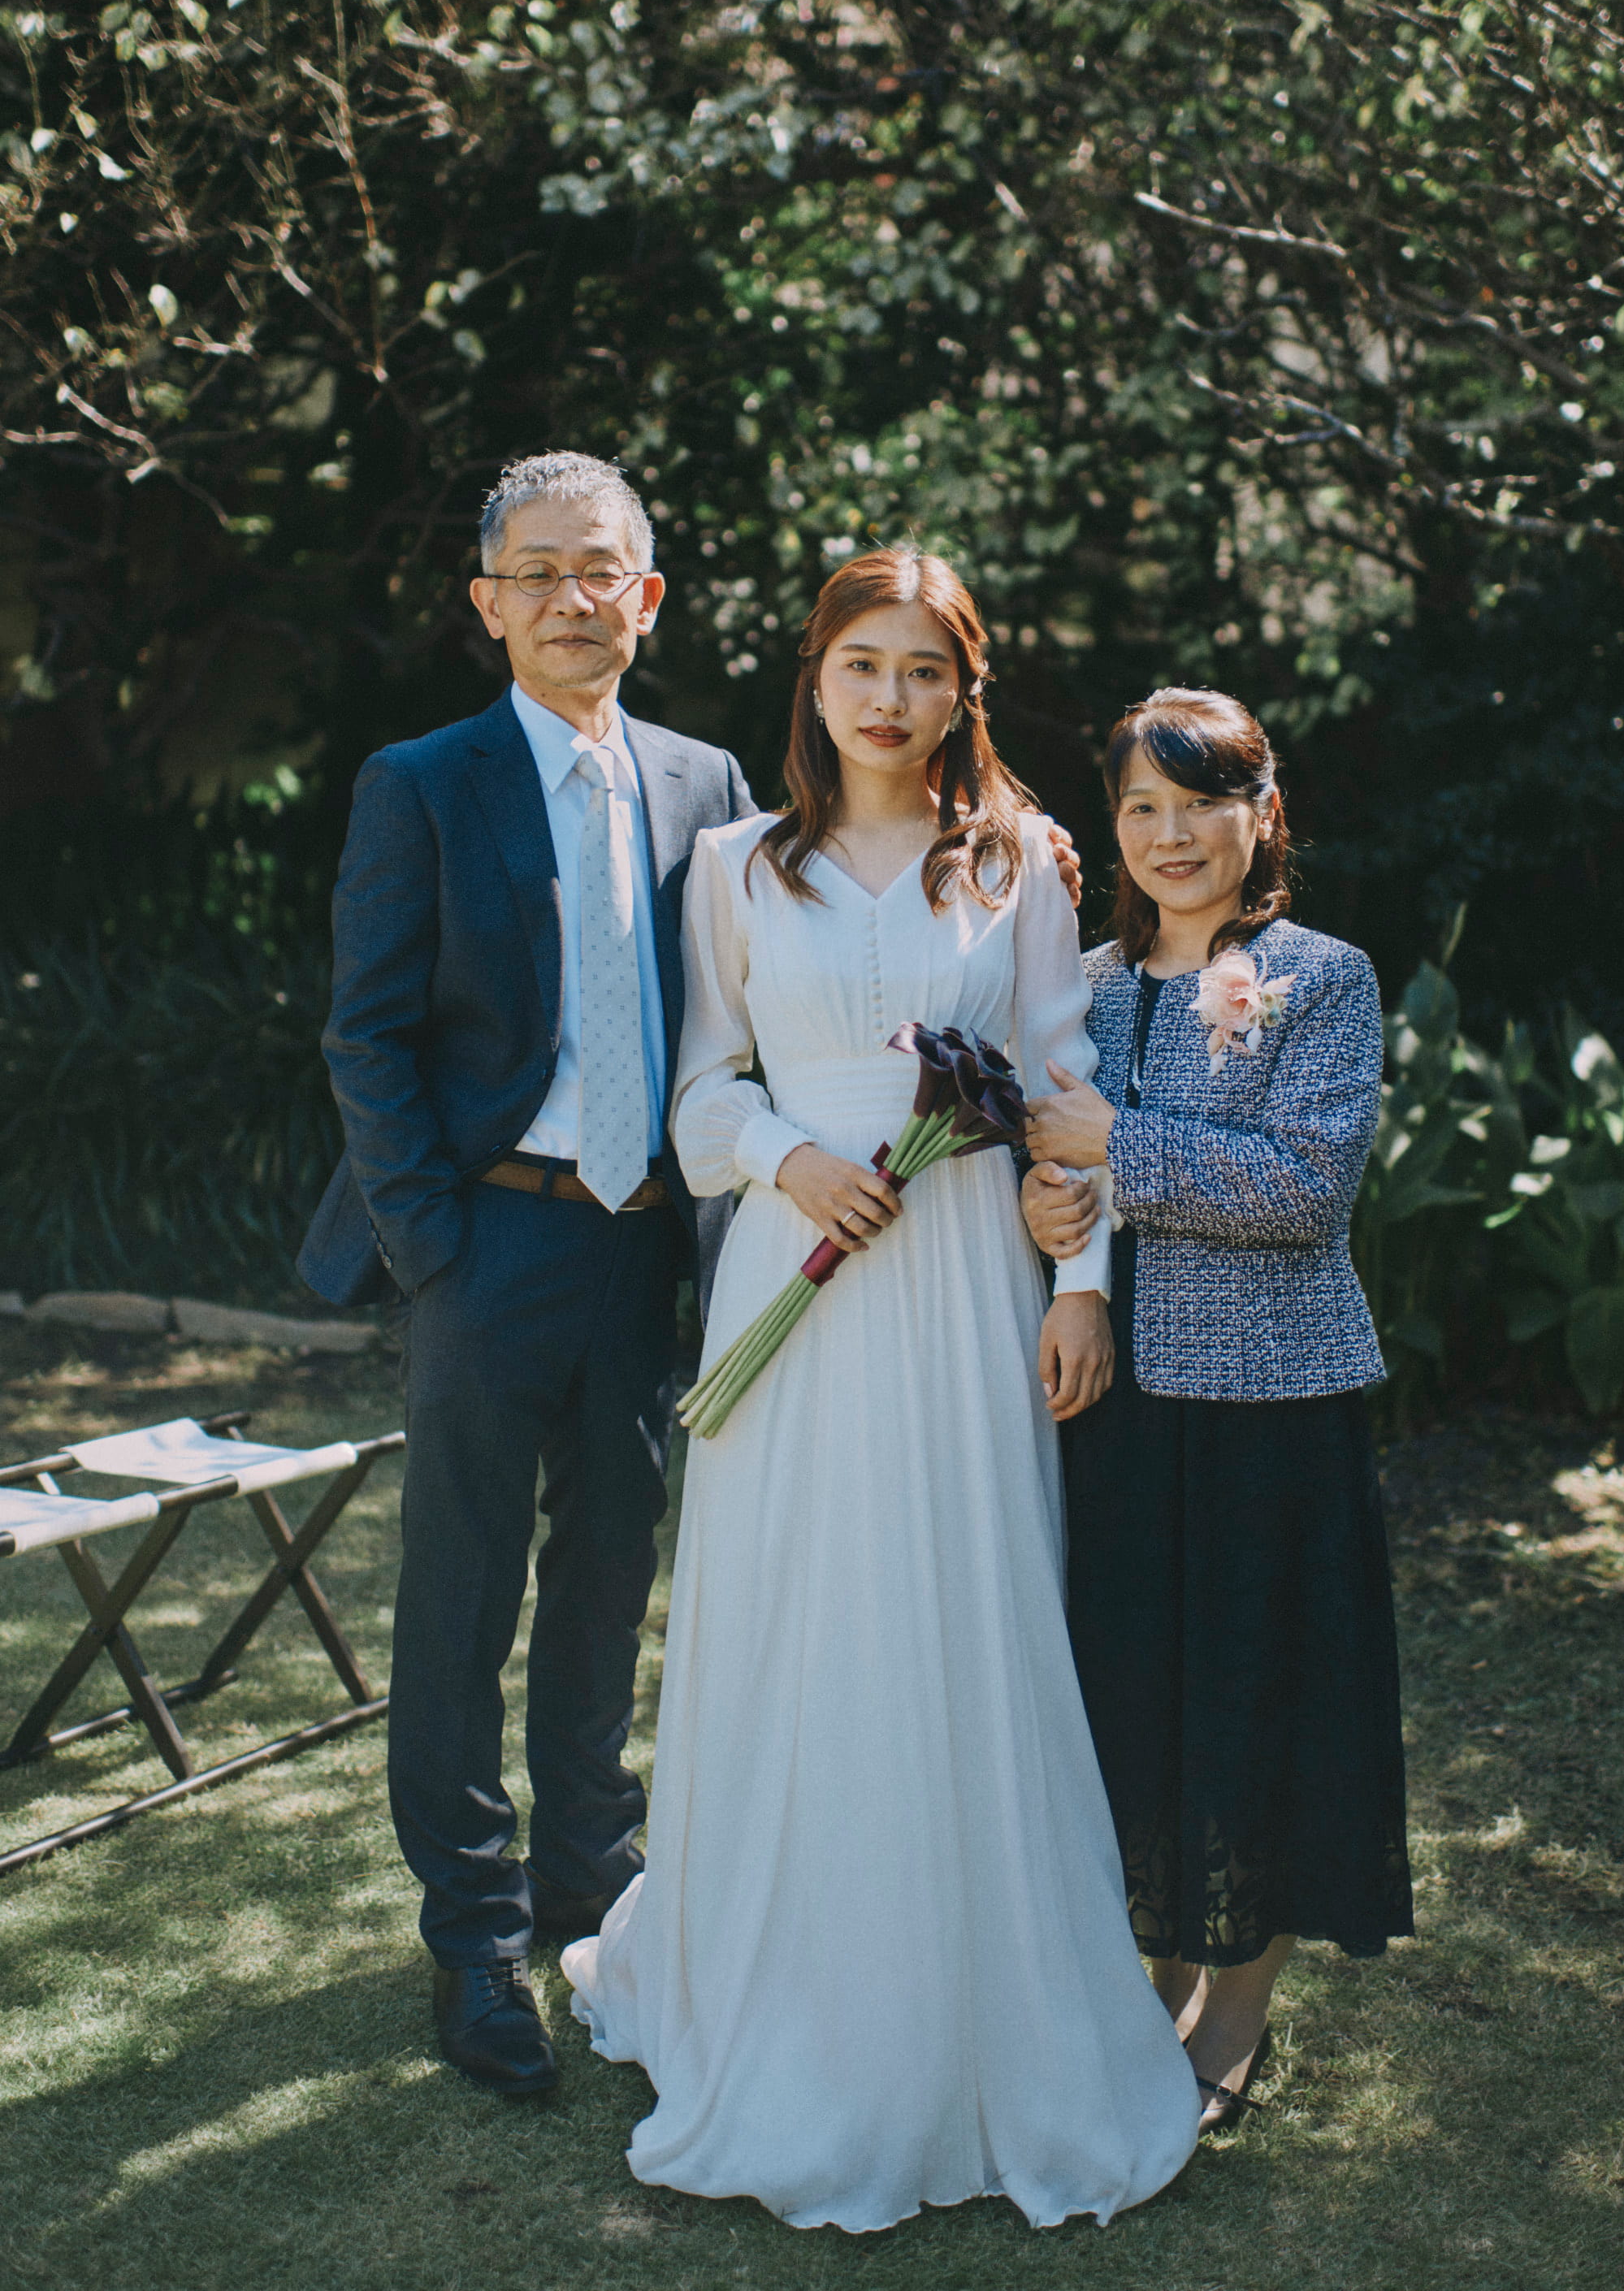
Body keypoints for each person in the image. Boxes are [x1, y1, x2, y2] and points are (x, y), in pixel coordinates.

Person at [298, 457, 1081, 2098]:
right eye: (541, 574)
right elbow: (364, 1034)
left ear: (650, 598)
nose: (576, 601)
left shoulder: (705, 784)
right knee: (461, 1596)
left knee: (606, 1587)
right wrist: (432, 1245)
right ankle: (473, 1938)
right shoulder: (422, 782)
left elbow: (752, 1009)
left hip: (656, 1241)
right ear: (490, 601)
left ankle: (595, 1883)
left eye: (606, 574)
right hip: (490, 1235)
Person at [561, 551, 1199, 2230]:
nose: (892, 698)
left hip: (969, 1281)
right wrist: (786, 1157)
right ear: (817, 678)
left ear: (959, 693)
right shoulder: (730, 869)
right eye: (864, 663)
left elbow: (1063, 1088)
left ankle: (983, 2026)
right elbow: (702, 1092)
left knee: (960, 1621)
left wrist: (1079, 1285)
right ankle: (776, 1997)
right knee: (797, 1622)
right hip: (798, 1274)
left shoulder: (1018, 871)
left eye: (926, 670)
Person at [1022, 686, 1414, 2133]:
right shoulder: (1083, 980)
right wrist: (1051, 1207)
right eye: (1141, 807)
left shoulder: (1320, 976)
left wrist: (1115, 1144)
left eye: (1199, 804)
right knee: (1135, 1701)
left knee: (1255, 1703)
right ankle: (1152, 1979)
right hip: (1115, 1408)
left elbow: (1304, 1191)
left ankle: (1235, 2015)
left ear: (1261, 815)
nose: (1170, 835)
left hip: (1270, 1402)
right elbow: (1060, 1191)